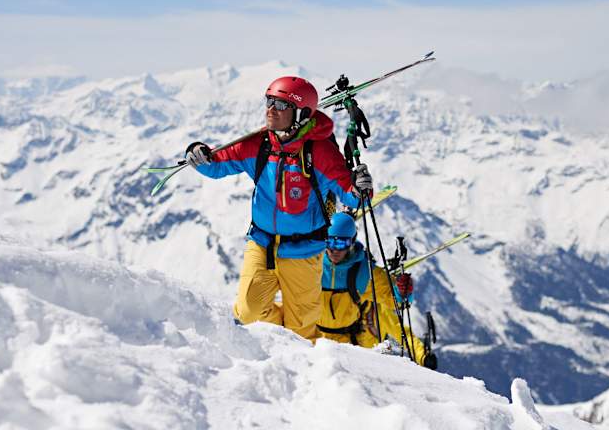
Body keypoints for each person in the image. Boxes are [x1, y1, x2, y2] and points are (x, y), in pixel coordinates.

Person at [184, 76, 373, 341]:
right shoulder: (259, 145)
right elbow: (216, 165)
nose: (270, 109)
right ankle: (277, 334)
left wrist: (361, 188)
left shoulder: (320, 152)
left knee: (301, 329)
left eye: (281, 105)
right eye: (269, 101)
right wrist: (197, 152)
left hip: (304, 250)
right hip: (262, 243)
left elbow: (351, 195)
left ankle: (303, 372)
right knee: (247, 313)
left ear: (301, 114)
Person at [317, 212, 437, 369]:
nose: (334, 250)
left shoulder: (363, 273)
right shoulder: (311, 263)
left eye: (341, 244)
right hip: (314, 338)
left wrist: (402, 294)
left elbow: (394, 304)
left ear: (351, 243)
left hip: (349, 346)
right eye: (330, 243)